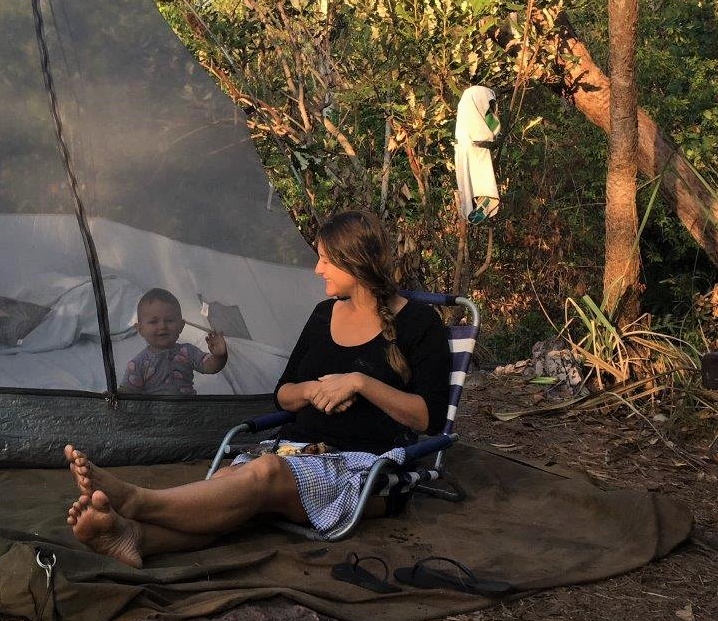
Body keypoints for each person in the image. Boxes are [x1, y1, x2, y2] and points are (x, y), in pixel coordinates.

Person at [63, 210, 450, 567]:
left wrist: (361, 383)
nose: (317, 269)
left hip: (363, 470)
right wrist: (313, 390)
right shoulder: (322, 316)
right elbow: (284, 393)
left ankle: (136, 501)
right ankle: (136, 538)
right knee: (229, 488)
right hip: (296, 452)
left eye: (326, 260)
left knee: (262, 474)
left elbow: (428, 419)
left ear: (356, 262)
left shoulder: (420, 324)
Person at [119, 288, 228, 396]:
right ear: (140, 329)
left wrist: (219, 357)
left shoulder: (188, 352)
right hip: (156, 413)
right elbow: (126, 394)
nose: (162, 326)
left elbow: (210, 367)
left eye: (169, 320)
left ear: (181, 326)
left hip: (190, 411)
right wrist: (113, 398)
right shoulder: (138, 364)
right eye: (153, 322)